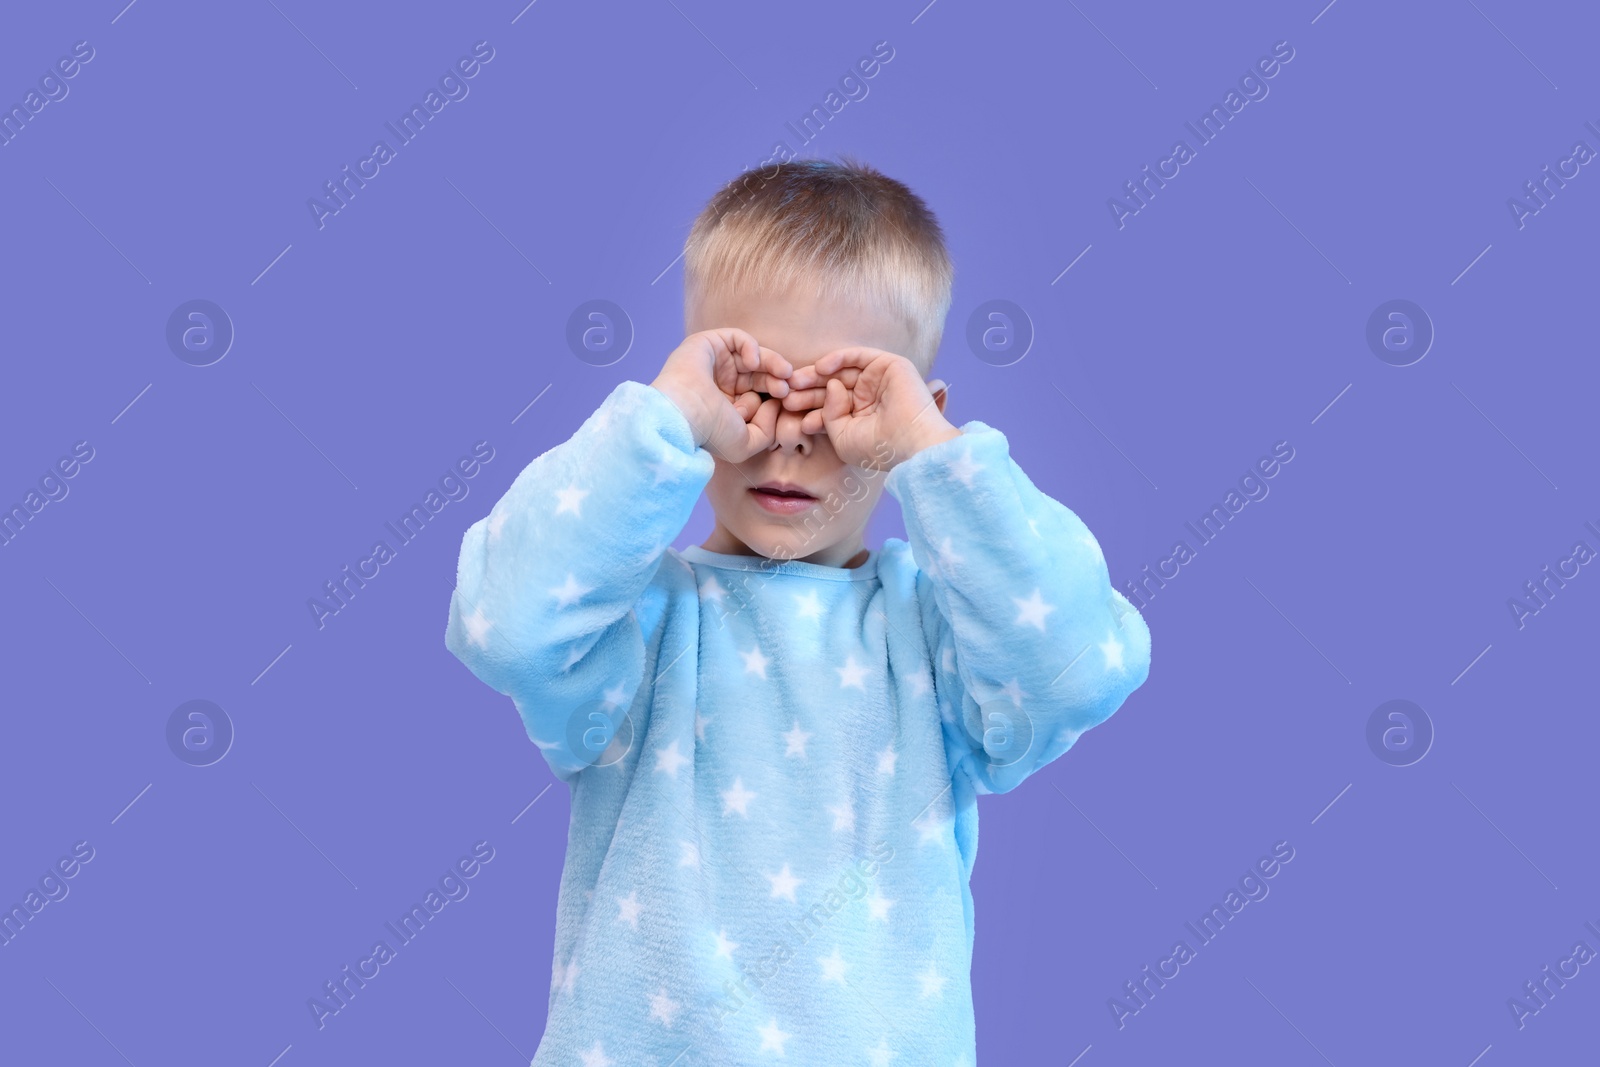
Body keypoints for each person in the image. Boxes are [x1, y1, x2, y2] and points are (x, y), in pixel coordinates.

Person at [445, 156, 1151, 1065]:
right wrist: (663, 418)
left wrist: (931, 458)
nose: (787, 444)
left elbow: (1080, 664)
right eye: (757, 393)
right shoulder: (636, 623)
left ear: (909, 418)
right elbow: (502, 621)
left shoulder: (936, 639)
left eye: (837, 402)